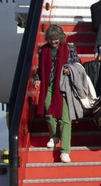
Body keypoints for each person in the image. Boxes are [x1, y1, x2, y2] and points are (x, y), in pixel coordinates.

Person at [32, 24, 75, 162]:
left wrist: (70, 70)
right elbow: (40, 68)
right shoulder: (43, 50)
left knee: (65, 118)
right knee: (48, 111)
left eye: (56, 39)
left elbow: (76, 64)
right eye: (51, 39)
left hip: (64, 85)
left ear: (61, 38)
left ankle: (65, 151)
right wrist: (37, 79)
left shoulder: (69, 48)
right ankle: (54, 135)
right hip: (49, 84)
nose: (53, 42)